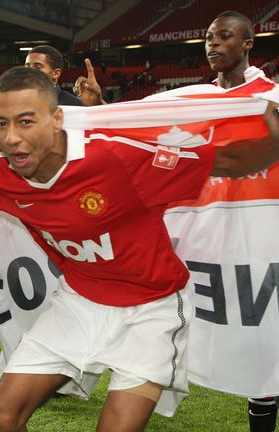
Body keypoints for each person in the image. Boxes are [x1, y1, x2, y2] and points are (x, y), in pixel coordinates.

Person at [0, 66, 279, 431]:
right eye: (0, 124)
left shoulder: (119, 158)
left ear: (56, 120)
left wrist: (275, 138)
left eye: (26, 121)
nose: (12, 138)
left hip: (151, 310)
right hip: (79, 304)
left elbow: (233, 162)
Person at [203, 10, 278, 432]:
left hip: (267, 231)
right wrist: (100, 108)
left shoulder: (271, 98)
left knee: (269, 336)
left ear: (248, 43)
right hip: (217, 237)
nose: (214, 44)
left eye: (224, 37)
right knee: (253, 342)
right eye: (210, 37)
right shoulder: (194, 100)